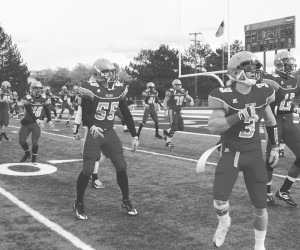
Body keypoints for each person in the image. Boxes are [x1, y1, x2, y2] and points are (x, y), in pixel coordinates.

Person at [207, 51, 279, 250]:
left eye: (256, 67)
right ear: (236, 71)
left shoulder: (262, 91)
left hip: (254, 154)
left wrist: (273, 147)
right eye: (249, 67)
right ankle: (224, 222)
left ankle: (259, 245)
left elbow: (271, 121)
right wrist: (238, 115)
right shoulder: (223, 94)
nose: (254, 71)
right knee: (219, 199)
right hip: (232, 152)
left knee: (260, 205)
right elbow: (213, 126)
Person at [73, 58, 139, 220]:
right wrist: (91, 125)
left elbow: (126, 113)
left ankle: (126, 200)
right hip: (95, 132)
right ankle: (79, 203)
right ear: (98, 73)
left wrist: (134, 134)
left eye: (112, 71)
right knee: (88, 170)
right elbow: (86, 113)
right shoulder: (89, 89)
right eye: (108, 71)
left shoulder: (118, 89)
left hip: (109, 132)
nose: (111, 74)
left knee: (122, 167)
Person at [263, 51, 300, 207]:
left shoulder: (294, 80)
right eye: (287, 63)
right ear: (279, 63)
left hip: (289, 123)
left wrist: (294, 108)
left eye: (292, 63)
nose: (291, 65)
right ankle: (266, 193)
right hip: (275, 122)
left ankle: (283, 191)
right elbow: (272, 107)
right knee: (272, 160)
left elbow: (294, 98)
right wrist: (294, 109)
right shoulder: (270, 80)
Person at [73, 95, 105, 189]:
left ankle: (92, 177)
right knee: (90, 154)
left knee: (98, 154)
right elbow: (80, 113)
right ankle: (93, 178)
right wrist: (75, 129)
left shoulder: (104, 92)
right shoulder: (87, 94)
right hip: (91, 128)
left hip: (103, 126)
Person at [19, 81, 54, 164]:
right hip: (28, 122)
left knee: (35, 142)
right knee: (21, 141)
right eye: (37, 89)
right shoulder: (27, 98)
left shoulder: (44, 98)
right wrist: (37, 119)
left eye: (40, 89)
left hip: (36, 124)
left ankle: (34, 159)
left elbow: (47, 110)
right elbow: (29, 111)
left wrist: (49, 120)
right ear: (32, 89)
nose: (39, 91)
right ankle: (27, 154)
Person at [162, 79, 194, 147]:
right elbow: (165, 101)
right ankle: (168, 143)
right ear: (174, 85)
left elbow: (188, 97)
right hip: (172, 110)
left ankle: (166, 132)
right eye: (177, 85)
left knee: (181, 127)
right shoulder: (171, 91)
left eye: (180, 85)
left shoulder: (183, 91)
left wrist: (191, 100)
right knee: (174, 127)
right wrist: (165, 110)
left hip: (178, 111)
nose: (179, 86)